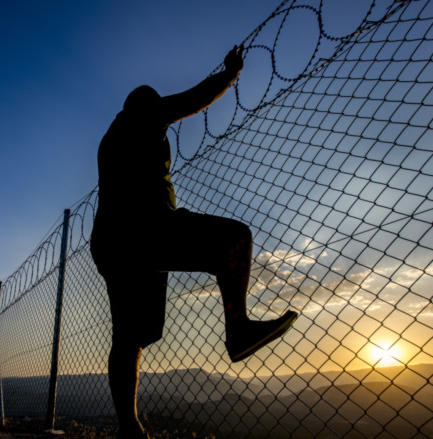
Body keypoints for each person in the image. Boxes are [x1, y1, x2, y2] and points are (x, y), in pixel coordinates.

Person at [90, 46, 298, 438]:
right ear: (146, 106)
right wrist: (230, 74)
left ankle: (128, 427)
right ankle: (237, 328)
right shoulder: (141, 115)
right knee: (235, 238)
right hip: (145, 230)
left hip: (113, 242)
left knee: (128, 337)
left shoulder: (111, 138)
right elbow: (190, 101)